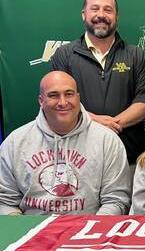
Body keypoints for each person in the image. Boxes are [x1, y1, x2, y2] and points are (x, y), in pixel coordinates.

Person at [50, 0, 145, 164]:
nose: (101, 15)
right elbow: (58, 102)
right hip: (77, 159)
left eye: (108, 10)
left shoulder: (137, 55)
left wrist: (111, 124)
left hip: (128, 159)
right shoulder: (64, 55)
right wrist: (95, 122)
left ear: (117, 16)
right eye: (95, 8)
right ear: (84, 14)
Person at [0, 71, 130, 215]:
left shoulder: (107, 140)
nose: (62, 102)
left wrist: (88, 232)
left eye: (69, 94)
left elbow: (116, 200)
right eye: (53, 95)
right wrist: (25, 232)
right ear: (40, 100)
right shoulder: (15, 142)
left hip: (87, 231)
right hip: (32, 231)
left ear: (78, 97)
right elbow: (5, 201)